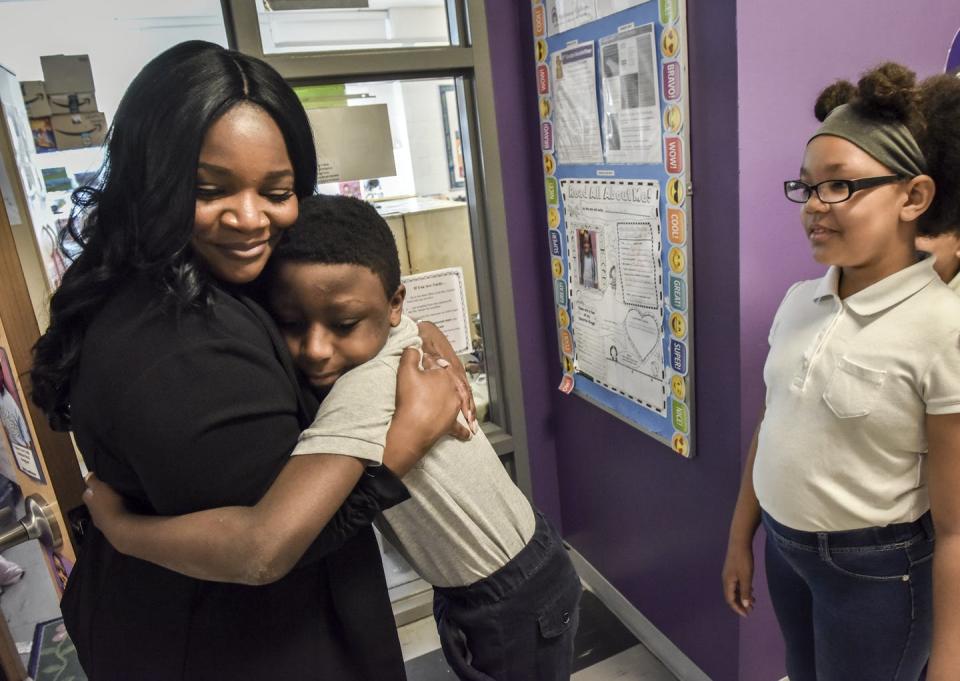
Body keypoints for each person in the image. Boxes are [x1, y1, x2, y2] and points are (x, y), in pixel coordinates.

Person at [30, 41, 470, 681]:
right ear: (152, 181)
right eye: (209, 190)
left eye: (278, 190)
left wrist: (424, 335)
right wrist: (401, 443)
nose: (248, 217)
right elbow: (275, 543)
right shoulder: (186, 344)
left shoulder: (191, 273)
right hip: (238, 642)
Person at [83, 194, 584, 681]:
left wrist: (121, 529)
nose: (317, 350)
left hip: (510, 593)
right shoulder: (400, 334)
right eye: (291, 323)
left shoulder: (362, 391)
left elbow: (261, 550)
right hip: (512, 566)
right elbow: (418, 326)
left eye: (343, 324)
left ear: (393, 304)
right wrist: (431, 333)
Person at [721, 63, 960, 681]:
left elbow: (957, 528)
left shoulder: (944, 327)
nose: (815, 208)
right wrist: (741, 536)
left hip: (876, 574)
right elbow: (772, 427)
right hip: (785, 551)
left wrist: (951, 665)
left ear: (914, 197)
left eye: (840, 187)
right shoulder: (800, 300)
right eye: (807, 188)